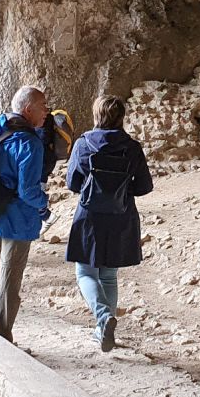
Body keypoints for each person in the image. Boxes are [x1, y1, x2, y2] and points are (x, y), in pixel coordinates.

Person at [65, 95, 153, 352]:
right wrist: (121, 192)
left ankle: (103, 318)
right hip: (121, 216)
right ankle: (103, 329)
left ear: (96, 116)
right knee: (109, 275)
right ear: (121, 117)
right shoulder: (132, 147)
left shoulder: (83, 144)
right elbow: (145, 186)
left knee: (85, 272)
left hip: (89, 216)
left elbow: (72, 183)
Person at [0, 86, 51, 342]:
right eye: (43, 107)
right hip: (16, 220)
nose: (47, 112)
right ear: (28, 110)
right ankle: (2, 338)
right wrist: (44, 206)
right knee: (9, 281)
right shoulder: (30, 143)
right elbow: (28, 190)